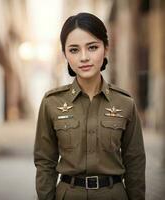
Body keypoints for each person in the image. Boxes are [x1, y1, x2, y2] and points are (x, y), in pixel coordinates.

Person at [34, 12, 146, 200]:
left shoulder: (125, 103)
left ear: (106, 48)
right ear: (65, 54)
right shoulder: (51, 102)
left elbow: (135, 162)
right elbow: (45, 162)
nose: (84, 57)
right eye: (74, 50)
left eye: (92, 47)